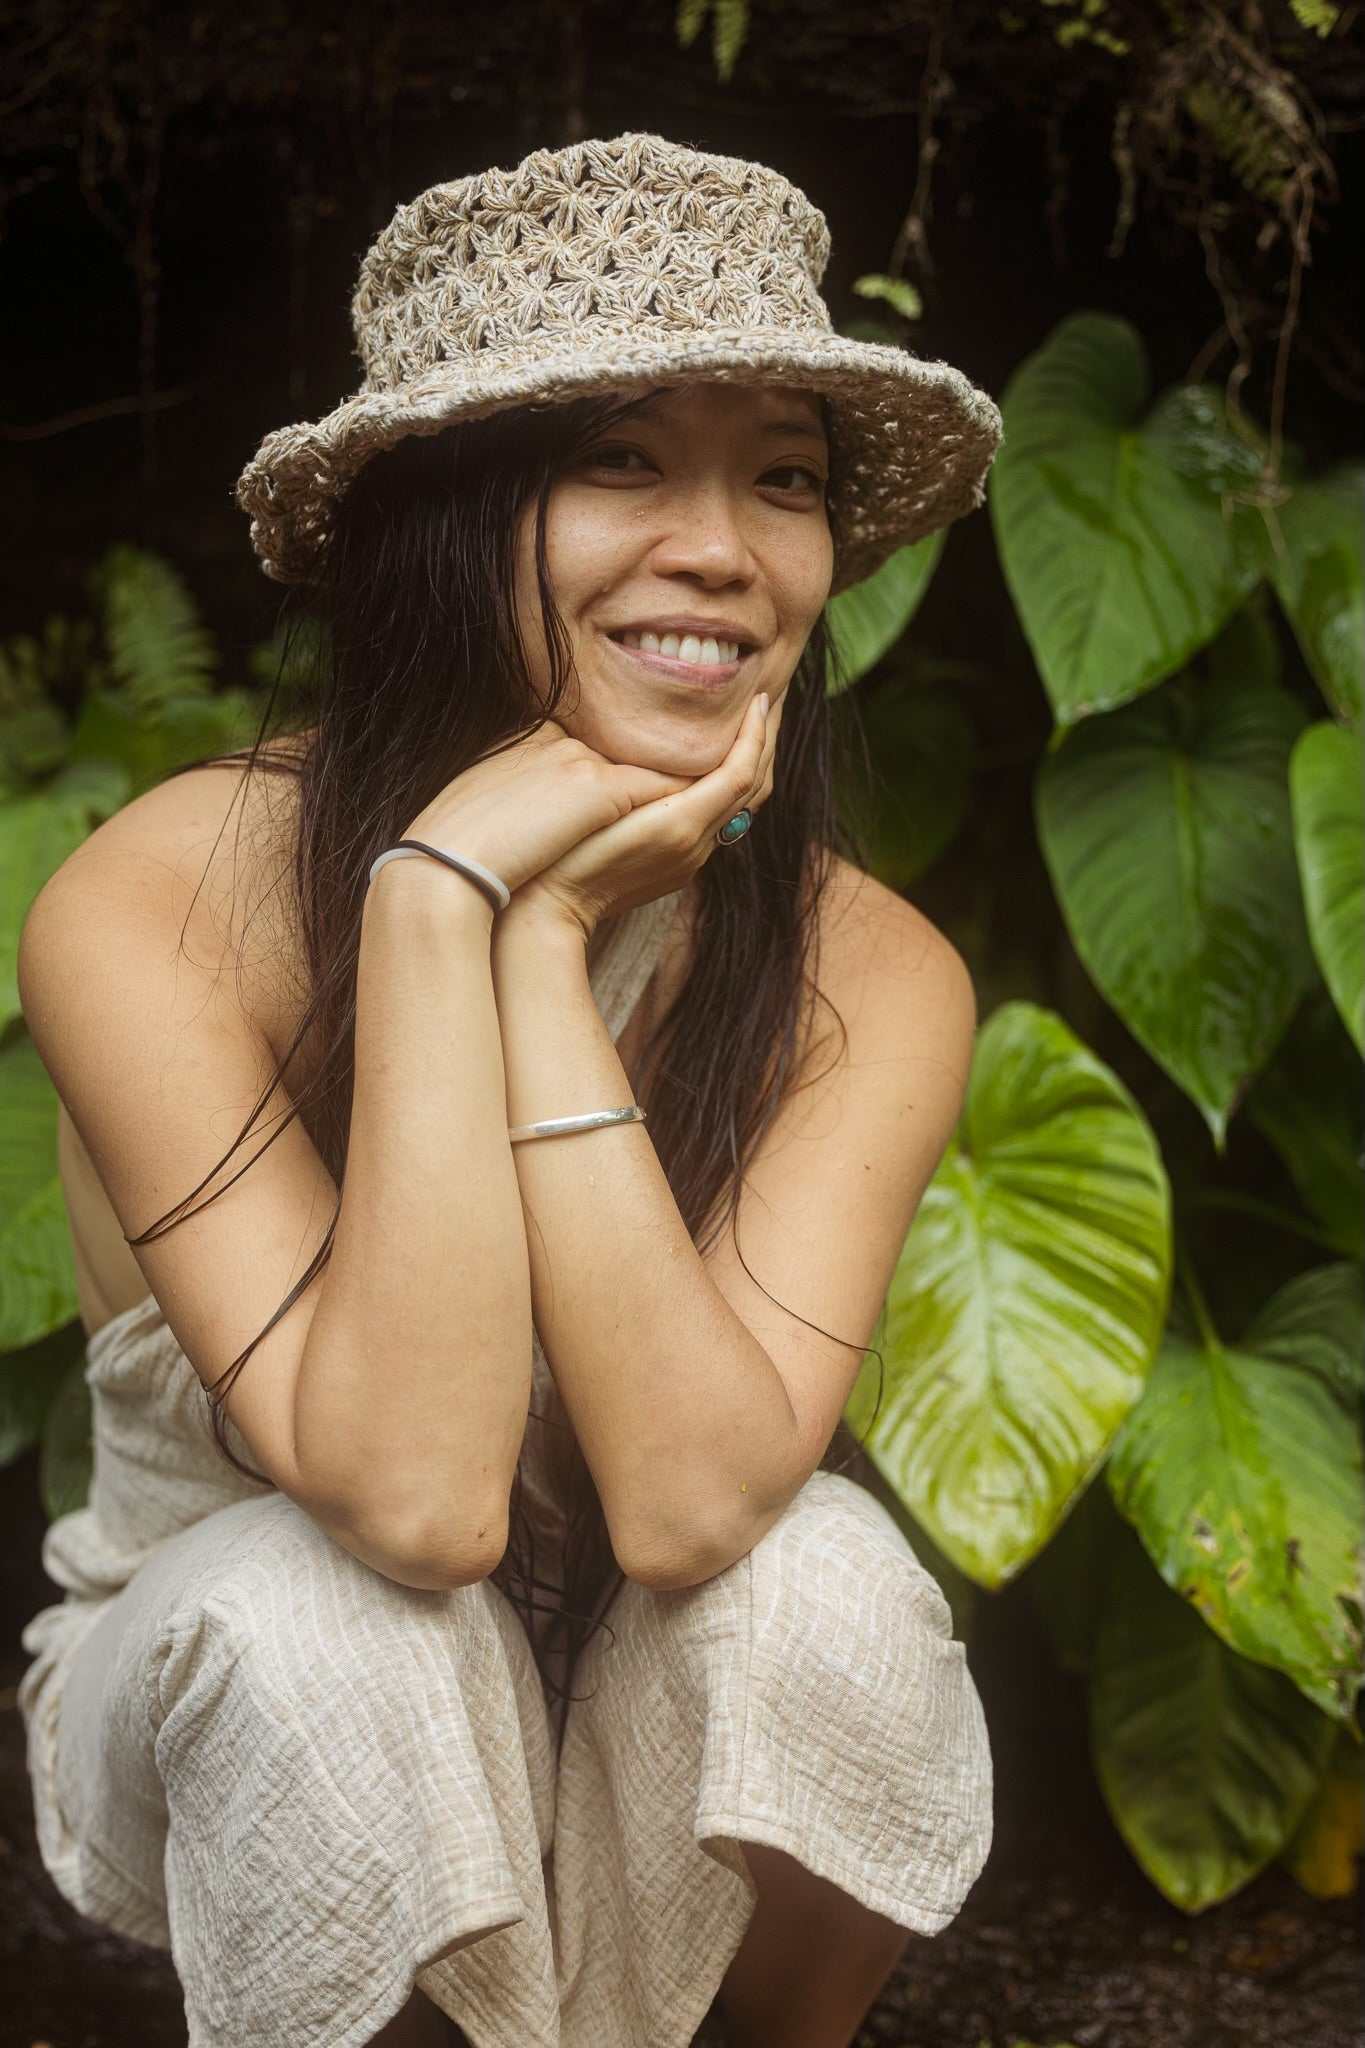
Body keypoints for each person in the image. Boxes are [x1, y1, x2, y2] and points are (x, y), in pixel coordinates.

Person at [15, 131, 1002, 2048]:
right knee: (341, 1631)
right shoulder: (159, 902)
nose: (721, 547)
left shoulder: (868, 970)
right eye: (617, 456)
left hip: (645, 1670)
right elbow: (413, 1499)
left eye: (781, 480)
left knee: (832, 1592)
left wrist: (540, 953)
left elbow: (704, 1504)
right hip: (241, 1680)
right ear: (438, 519)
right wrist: (433, 901)